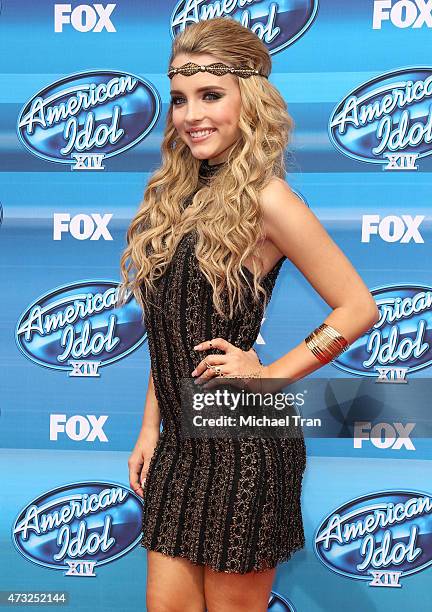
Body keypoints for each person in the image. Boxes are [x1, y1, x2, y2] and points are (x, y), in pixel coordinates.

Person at [119, 17, 379, 612]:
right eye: (181, 99)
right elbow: (172, 333)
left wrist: (271, 376)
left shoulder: (269, 198)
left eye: (211, 95)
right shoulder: (173, 197)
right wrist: (150, 426)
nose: (191, 115)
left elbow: (359, 306)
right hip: (181, 441)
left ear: (250, 99)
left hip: (244, 443)